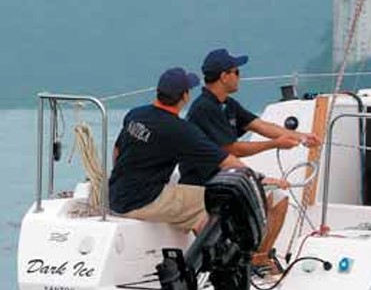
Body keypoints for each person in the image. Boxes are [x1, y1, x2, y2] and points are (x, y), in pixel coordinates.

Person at [108, 67, 277, 233]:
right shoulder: (180, 130)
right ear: (185, 96)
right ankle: (208, 258)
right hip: (142, 201)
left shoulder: (136, 114)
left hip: (115, 195)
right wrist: (258, 180)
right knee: (216, 203)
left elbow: (117, 152)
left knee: (189, 199)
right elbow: (227, 161)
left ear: (158, 92)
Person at [180, 48, 320, 185]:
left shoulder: (228, 104)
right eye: (237, 72)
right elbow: (233, 149)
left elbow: (261, 126)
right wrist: (275, 144)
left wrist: (302, 137)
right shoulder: (205, 108)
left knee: (277, 200)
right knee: (266, 196)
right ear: (224, 77)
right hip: (202, 182)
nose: (239, 77)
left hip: (223, 176)